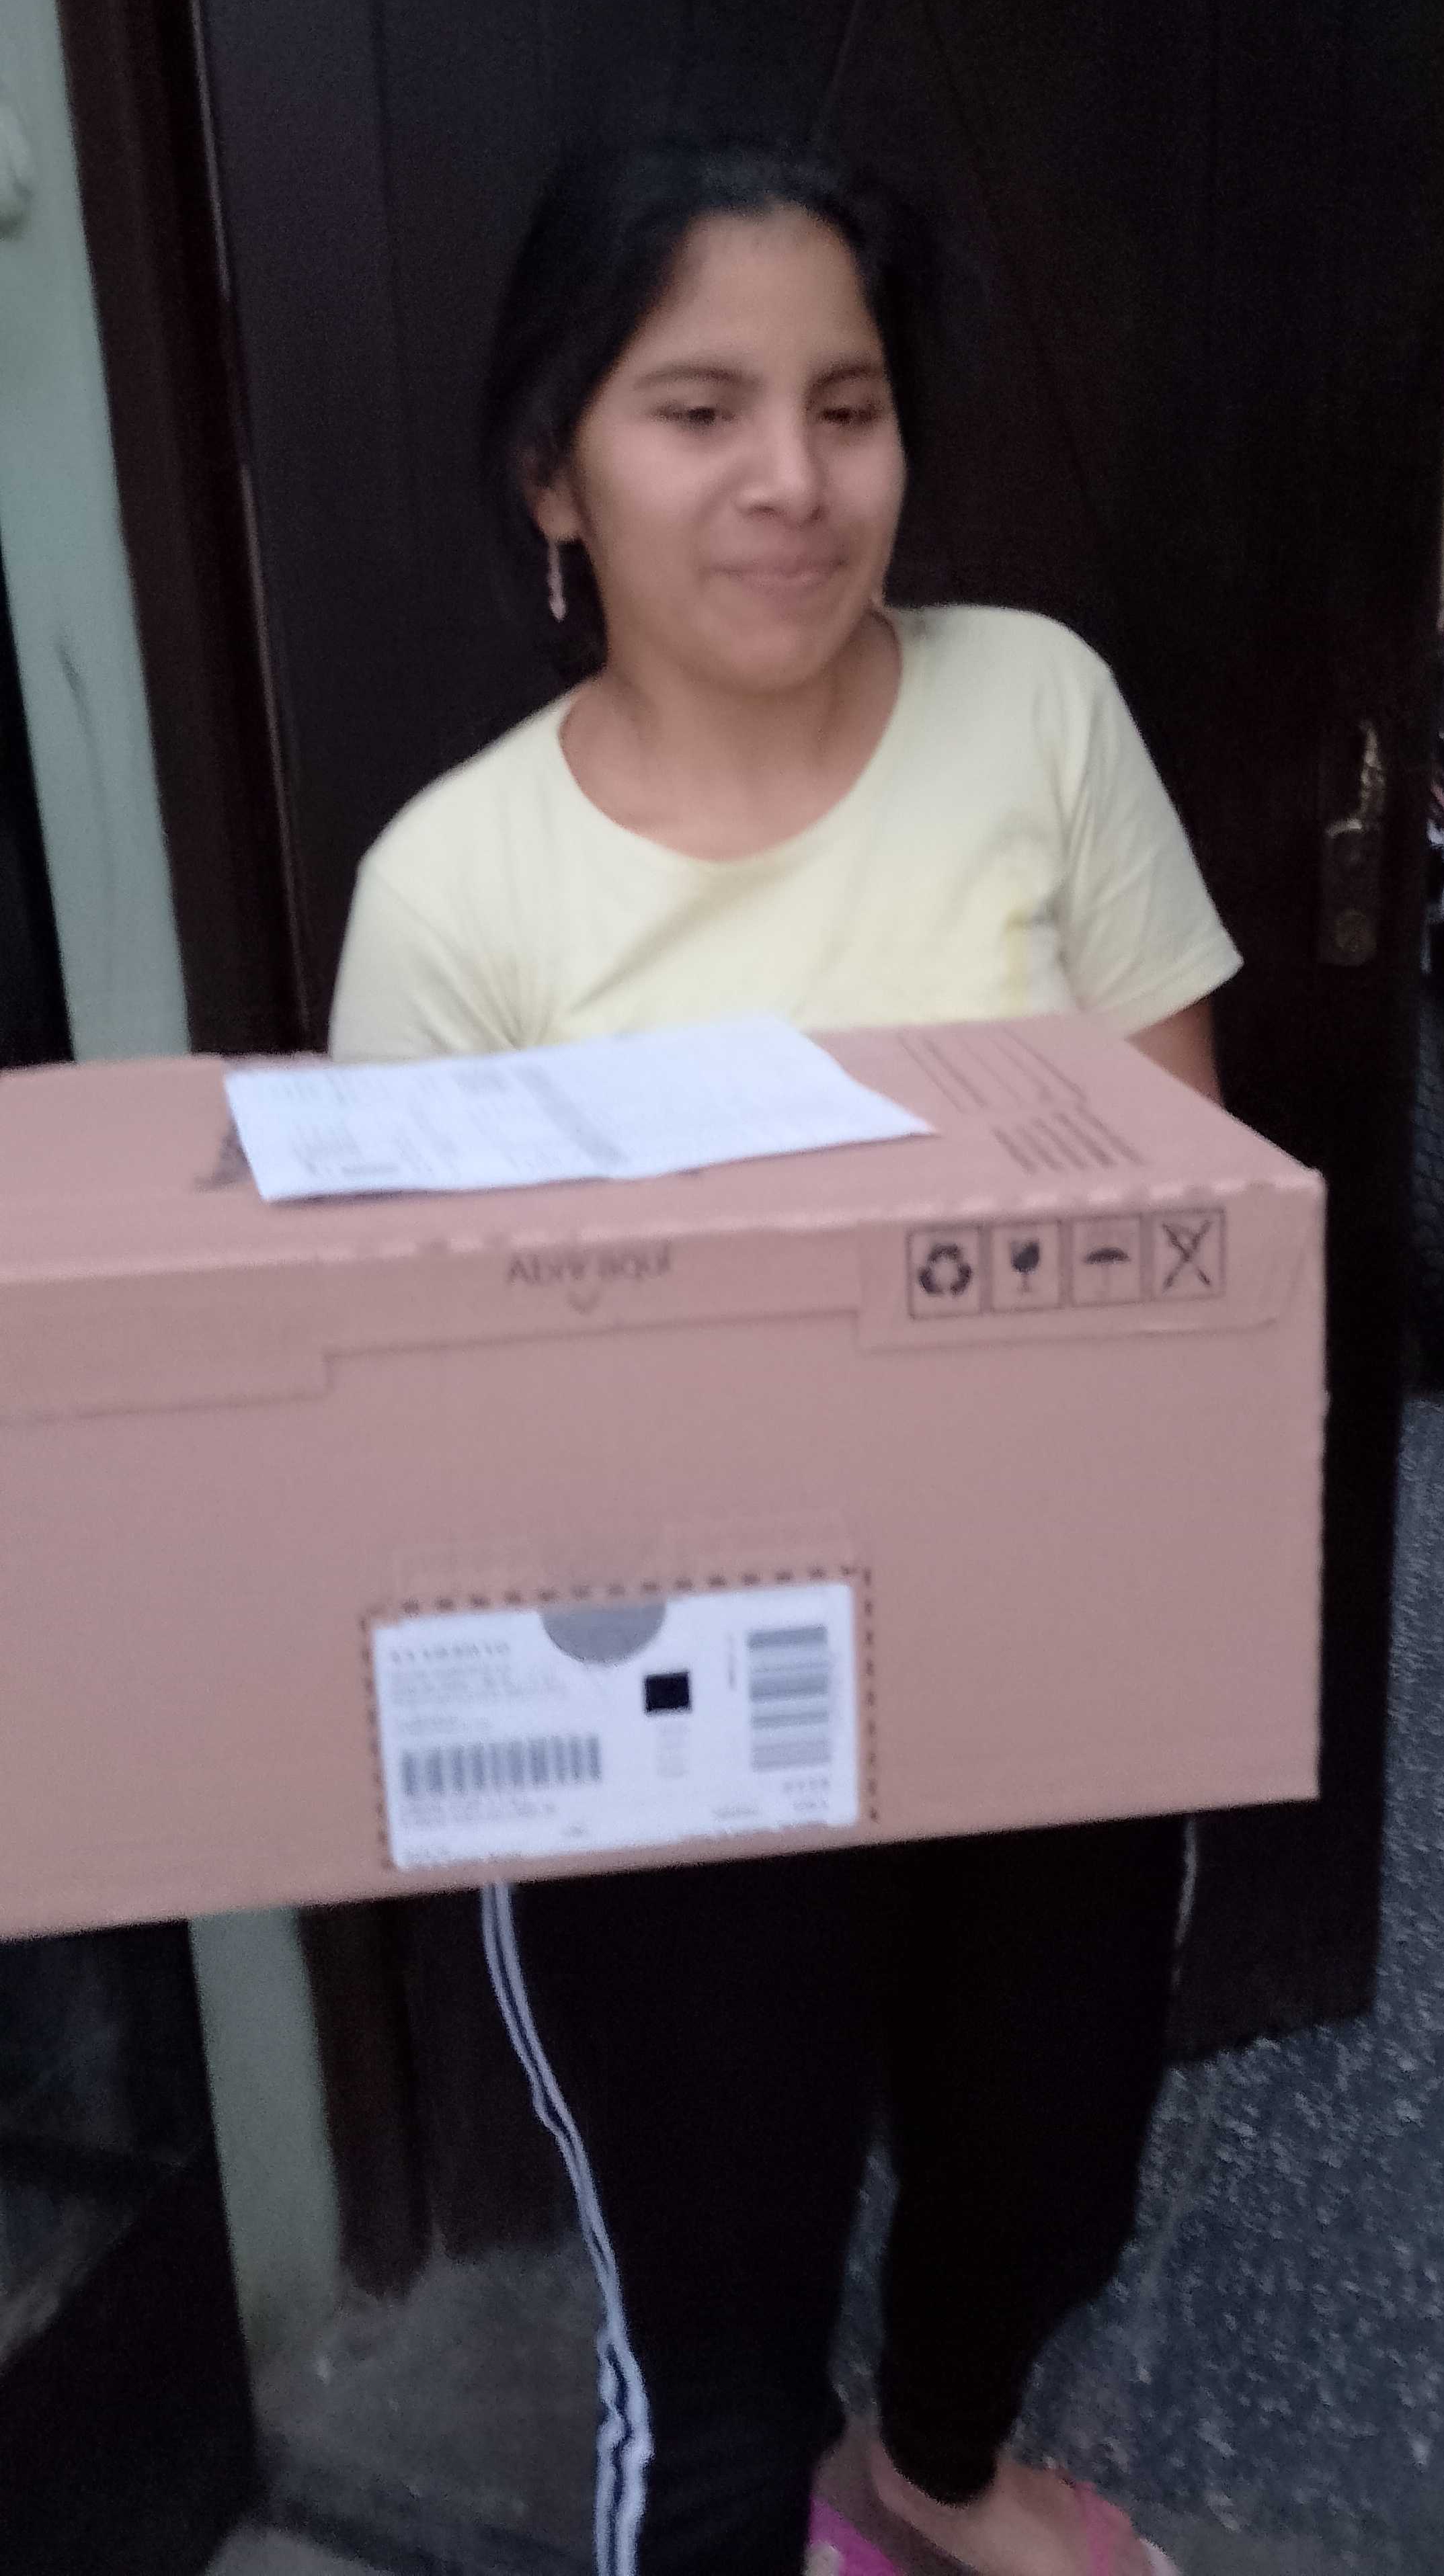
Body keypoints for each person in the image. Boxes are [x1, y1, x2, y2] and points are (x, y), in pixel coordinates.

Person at [331, 137, 1240, 2576]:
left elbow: (1188, 1239)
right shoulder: (454, 892)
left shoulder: (1036, 712)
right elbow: (419, 1430)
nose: (792, 483)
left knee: (1045, 2180)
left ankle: (931, 2471)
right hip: (663, 1735)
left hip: (1043, 1668)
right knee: (713, 2371)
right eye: (698, 409)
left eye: (847, 407)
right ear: (555, 472)